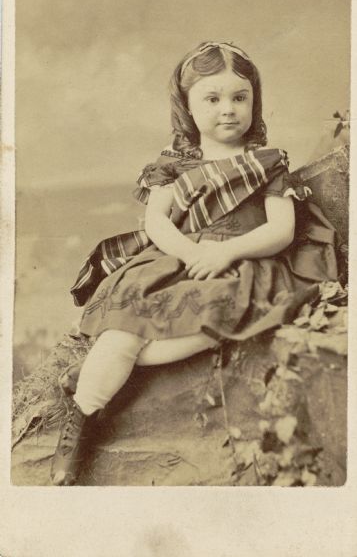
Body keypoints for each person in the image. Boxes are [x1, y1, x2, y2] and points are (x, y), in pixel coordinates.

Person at [51, 41, 338, 485]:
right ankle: (80, 426)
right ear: (187, 105)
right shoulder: (173, 166)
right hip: (176, 257)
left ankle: (93, 378)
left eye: (240, 97)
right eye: (212, 98)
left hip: (240, 260)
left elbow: (280, 230)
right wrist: (191, 253)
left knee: (216, 316)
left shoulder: (266, 164)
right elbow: (157, 222)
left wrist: (224, 252)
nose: (228, 110)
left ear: (254, 101)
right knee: (128, 316)